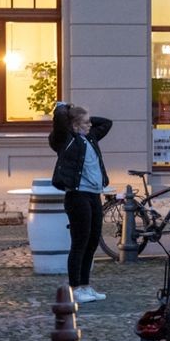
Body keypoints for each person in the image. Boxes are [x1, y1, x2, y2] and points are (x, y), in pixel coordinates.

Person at [49, 102, 113, 304]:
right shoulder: (65, 140)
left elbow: (107, 123)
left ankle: (86, 285)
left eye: (89, 122)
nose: (90, 125)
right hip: (77, 195)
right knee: (80, 242)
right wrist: (64, 110)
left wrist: (86, 118)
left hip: (94, 194)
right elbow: (60, 124)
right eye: (85, 122)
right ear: (75, 125)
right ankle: (75, 287)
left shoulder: (91, 137)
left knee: (93, 240)